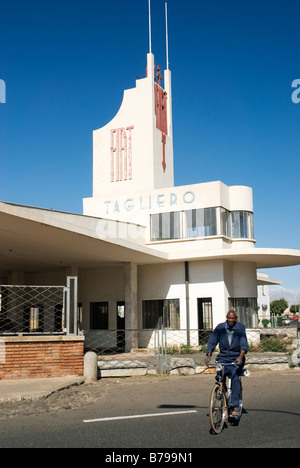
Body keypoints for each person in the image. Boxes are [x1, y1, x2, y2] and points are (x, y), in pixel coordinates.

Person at [204, 310, 249, 417]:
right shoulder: (220, 328)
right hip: (223, 356)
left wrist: (240, 357)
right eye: (229, 318)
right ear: (226, 318)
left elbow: (243, 343)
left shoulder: (240, 328)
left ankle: (235, 406)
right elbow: (212, 340)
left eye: (233, 318)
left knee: (235, 377)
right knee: (219, 373)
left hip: (236, 357)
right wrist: (209, 354)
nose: (230, 320)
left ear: (236, 319)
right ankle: (221, 389)